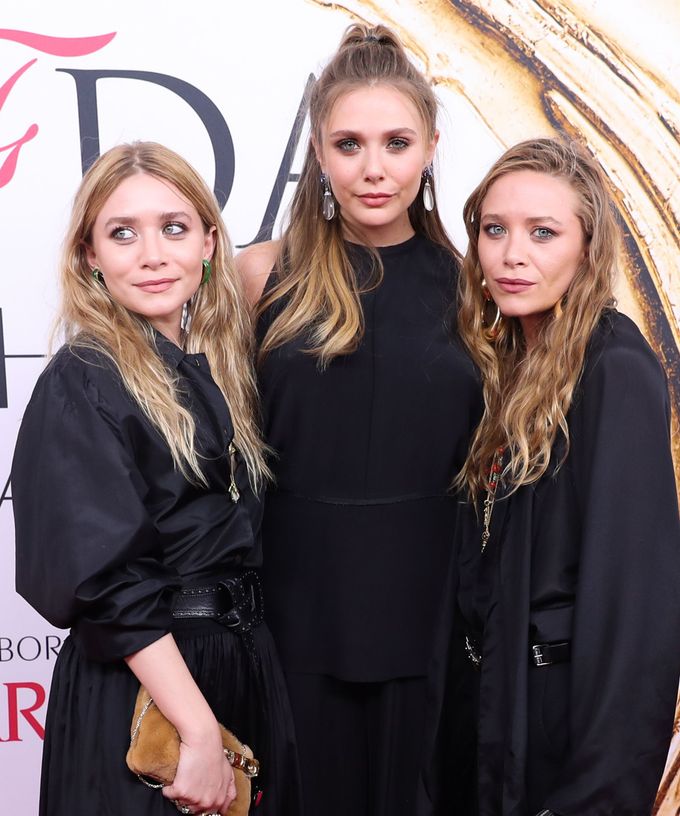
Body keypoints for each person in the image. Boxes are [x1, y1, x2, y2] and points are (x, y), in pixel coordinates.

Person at [12, 142, 302, 816]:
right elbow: (107, 584)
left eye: (173, 228)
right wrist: (197, 731)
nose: (151, 254)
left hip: (240, 667)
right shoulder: (83, 380)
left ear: (207, 243)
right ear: (90, 254)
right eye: (123, 233)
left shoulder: (219, 370)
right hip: (148, 691)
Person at [236, 24, 481, 816]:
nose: (373, 168)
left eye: (396, 142)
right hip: (291, 613)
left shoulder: (479, 290)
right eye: (349, 143)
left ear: (431, 147)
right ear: (318, 148)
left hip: (431, 616)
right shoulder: (261, 275)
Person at [423, 137, 680, 816]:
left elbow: (636, 612)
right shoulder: (508, 361)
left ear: (587, 249)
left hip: (558, 733)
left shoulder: (613, 370)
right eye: (494, 229)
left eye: (543, 233)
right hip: (487, 714)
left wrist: (597, 796)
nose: (513, 255)